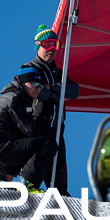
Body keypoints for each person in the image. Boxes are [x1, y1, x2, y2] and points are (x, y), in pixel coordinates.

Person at [21, 24, 80, 196]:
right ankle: (28, 186)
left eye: (56, 45)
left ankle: (60, 193)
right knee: (40, 155)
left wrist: (52, 87)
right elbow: (36, 91)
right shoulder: (29, 68)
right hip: (37, 122)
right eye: (48, 45)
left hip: (57, 123)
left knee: (59, 157)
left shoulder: (57, 72)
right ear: (38, 45)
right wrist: (55, 91)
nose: (52, 50)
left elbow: (74, 91)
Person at [0, 67, 58, 193]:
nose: (38, 88)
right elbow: (29, 129)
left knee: (27, 146)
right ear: (23, 83)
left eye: (40, 85)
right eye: (34, 83)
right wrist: (45, 113)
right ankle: (28, 185)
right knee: (48, 145)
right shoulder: (17, 98)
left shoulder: (10, 97)